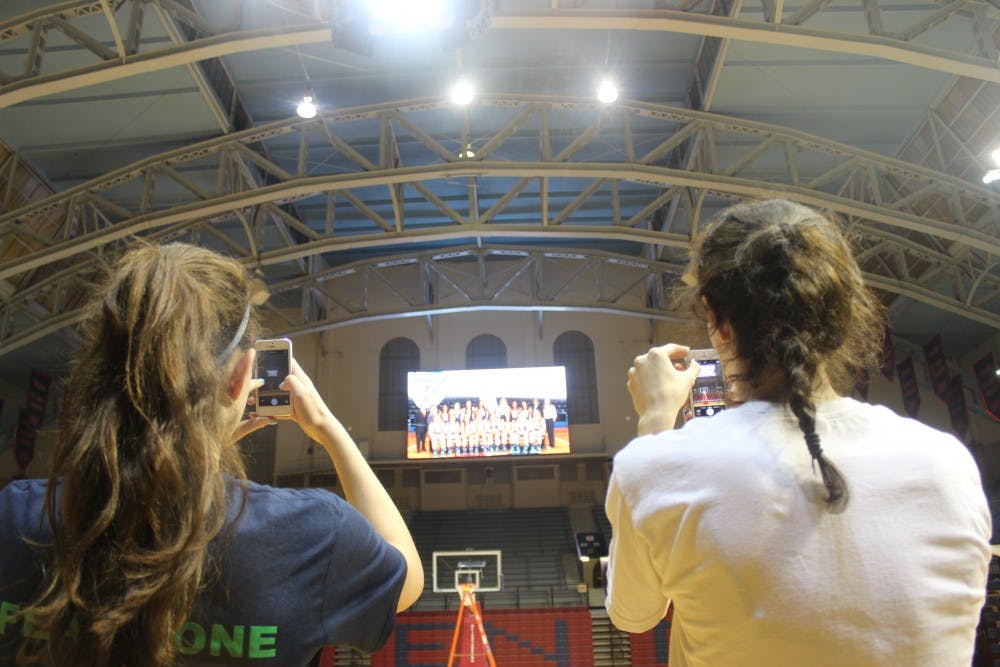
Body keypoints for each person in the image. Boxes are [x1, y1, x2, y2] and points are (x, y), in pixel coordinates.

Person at [604, 199, 991, 666]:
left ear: (716, 320)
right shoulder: (949, 463)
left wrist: (653, 423)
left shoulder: (653, 466)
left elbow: (634, 614)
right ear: (844, 311)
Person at [0, 243, 423, 667]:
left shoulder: (13, 518)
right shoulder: (310, 534)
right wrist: (329, 431)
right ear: (242, 379)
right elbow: (407, 580)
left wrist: (197, 446)